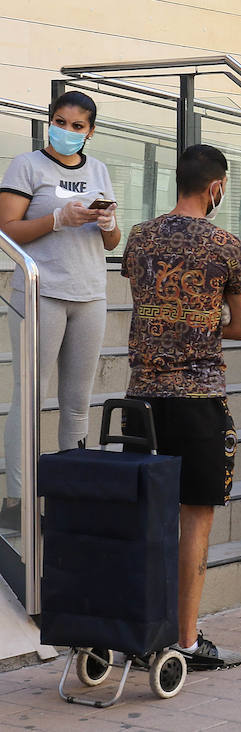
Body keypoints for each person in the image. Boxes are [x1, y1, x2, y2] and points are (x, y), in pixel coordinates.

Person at [119, 144, 241, 669]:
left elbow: (142, 293)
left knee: (144, 516)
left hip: (140, 396)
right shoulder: (226, 244)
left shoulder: (141, 235)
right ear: (215, 187)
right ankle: (187, 641)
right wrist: (203, 319)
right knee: (195, 520)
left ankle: (136, 627)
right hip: (198, 399)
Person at [0, 91, 120, 527]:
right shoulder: (26, 165)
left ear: (90, 131)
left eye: (77, 126)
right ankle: (17, 498)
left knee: (77, 402)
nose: (67, 131)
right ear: (49, 122)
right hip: (41, 292)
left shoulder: (99, 170)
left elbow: (111, 242)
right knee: (30, 394)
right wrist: (55, 220)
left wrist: (107, 224)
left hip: (89, 293)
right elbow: (8, 229)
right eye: (60, 122)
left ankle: (73, 492)